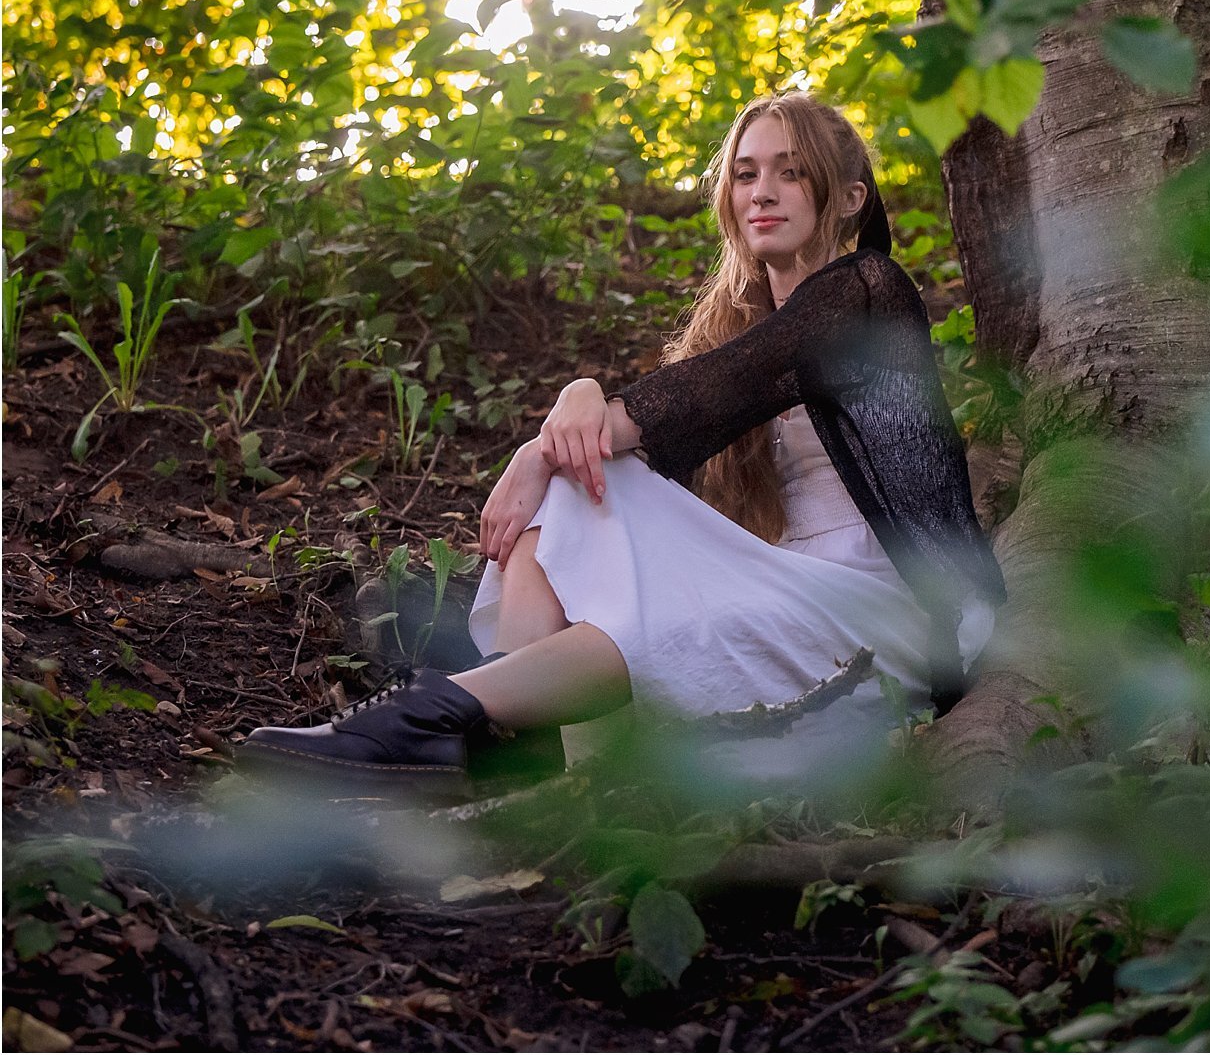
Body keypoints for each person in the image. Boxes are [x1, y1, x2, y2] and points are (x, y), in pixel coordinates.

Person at [238, 93, 1005, 788]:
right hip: (782, 592)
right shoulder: (739, 328)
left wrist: (539, 447)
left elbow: (711, 391)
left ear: (849, 197)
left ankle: (429, 717)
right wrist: (571, 408)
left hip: (884, 620)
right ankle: (531, 753)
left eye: (792, 171)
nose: (762, 191)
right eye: (744, 174)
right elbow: (640, 435)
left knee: (570, 469)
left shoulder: (868, 290)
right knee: (583, 485)